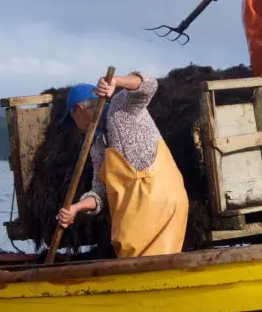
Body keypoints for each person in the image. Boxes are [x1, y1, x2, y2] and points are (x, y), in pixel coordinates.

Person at [55, 70, 189, 258]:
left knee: (151, 263)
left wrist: (116, 81)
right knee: (132, 257)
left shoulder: (120, 106)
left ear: (78, 109)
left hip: (161, 200)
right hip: (137, 211)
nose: (75, 126)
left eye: (72, 120)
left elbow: (149, 85)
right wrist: (75, 209)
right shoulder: (98, 146)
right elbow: (100, 192)